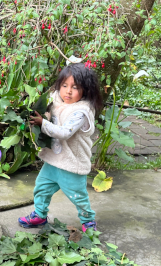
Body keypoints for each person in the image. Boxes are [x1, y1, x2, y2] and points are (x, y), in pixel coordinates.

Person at [18, 62, 103, 232]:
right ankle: (40, 215)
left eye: (75, 87)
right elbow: (50, 100)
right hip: (54, 160)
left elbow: (64, 132)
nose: (68, 91)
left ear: (85, 90)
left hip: (71, 165)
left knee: (78, 197)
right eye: (64, 85)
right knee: (41, 188)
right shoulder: (57, 98)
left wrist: (42, 123)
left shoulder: (81, 111)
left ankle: (88, 221)